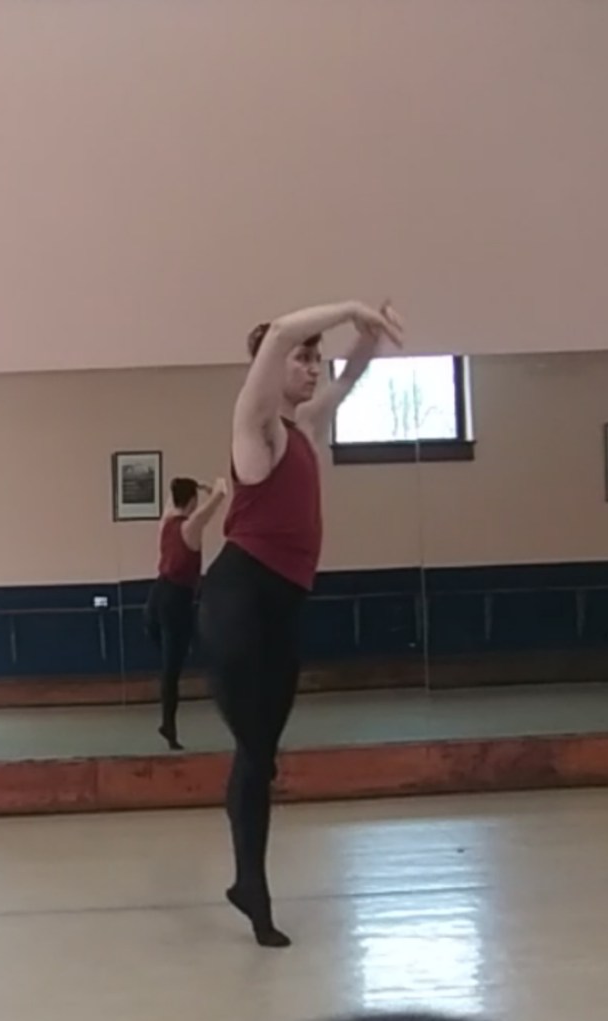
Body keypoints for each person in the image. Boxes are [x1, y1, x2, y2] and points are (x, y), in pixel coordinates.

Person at [198, 299, 403, 948]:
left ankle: (248, 883)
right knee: (256, 751)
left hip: (283, 606)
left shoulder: (305, 427)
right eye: (303, 359)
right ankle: (254, 890)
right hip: (236, 600)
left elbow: (351, 377)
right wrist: (349, 307)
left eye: (318, 358)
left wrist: (367, 336)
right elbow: (283, 329)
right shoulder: (256, 427)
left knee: (260, 755)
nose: (315, 368)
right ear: (272, 364)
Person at [145, 476, 227, 750]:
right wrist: (215, 488)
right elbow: (216, 500)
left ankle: (168, 722)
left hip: (157, 593)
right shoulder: (190, 527)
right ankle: (168, 724)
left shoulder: (166, 522)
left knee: (166, 649)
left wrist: (191, 489)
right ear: (192, 501)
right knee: (172, 668)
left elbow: (174, 499)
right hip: (176, 599)